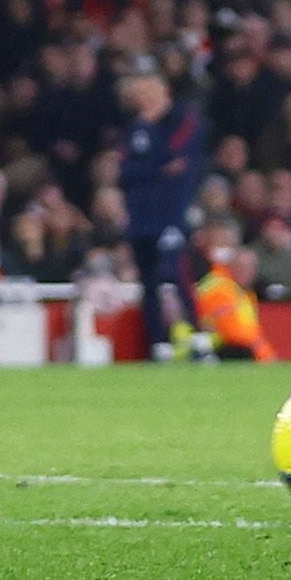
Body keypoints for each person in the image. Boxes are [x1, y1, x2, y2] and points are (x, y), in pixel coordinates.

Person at [118, 70, 206, 362]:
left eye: (146, 91)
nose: (140, 98)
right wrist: (158, 168)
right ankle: (157, 343)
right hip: (140, 218)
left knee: (177, 275)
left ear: (162, 91)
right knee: (150, 282)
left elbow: (179, 157)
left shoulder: (183, 119)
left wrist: (150, 166)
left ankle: (196, 336)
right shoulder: (136, 127)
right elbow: (127, 171)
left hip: (172, 215)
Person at [195, 243, 277, 361]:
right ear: (231, 266)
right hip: (222, 350)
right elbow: (236, 334)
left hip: (242, 351)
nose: (247, 272)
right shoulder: (219, 288)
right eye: (241, 267)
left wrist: (267, 356)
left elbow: (253, 334)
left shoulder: (244, 293)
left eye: (251, 267)